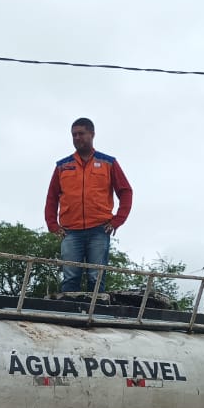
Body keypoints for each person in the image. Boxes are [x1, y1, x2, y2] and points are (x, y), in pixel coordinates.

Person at [44, 117, 133, 293]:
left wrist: (117, 221)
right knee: (70, 277)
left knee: (96, 277)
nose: (77, 138)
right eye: (74, 135)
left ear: (92, 134)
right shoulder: (63, 166)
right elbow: (52, 197)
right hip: (70, 231)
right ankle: (68, 310)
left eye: (81, 133)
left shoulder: (108, 163)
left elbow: (126, 191)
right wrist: (52, 225)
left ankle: (95, 311)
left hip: (99, 229)